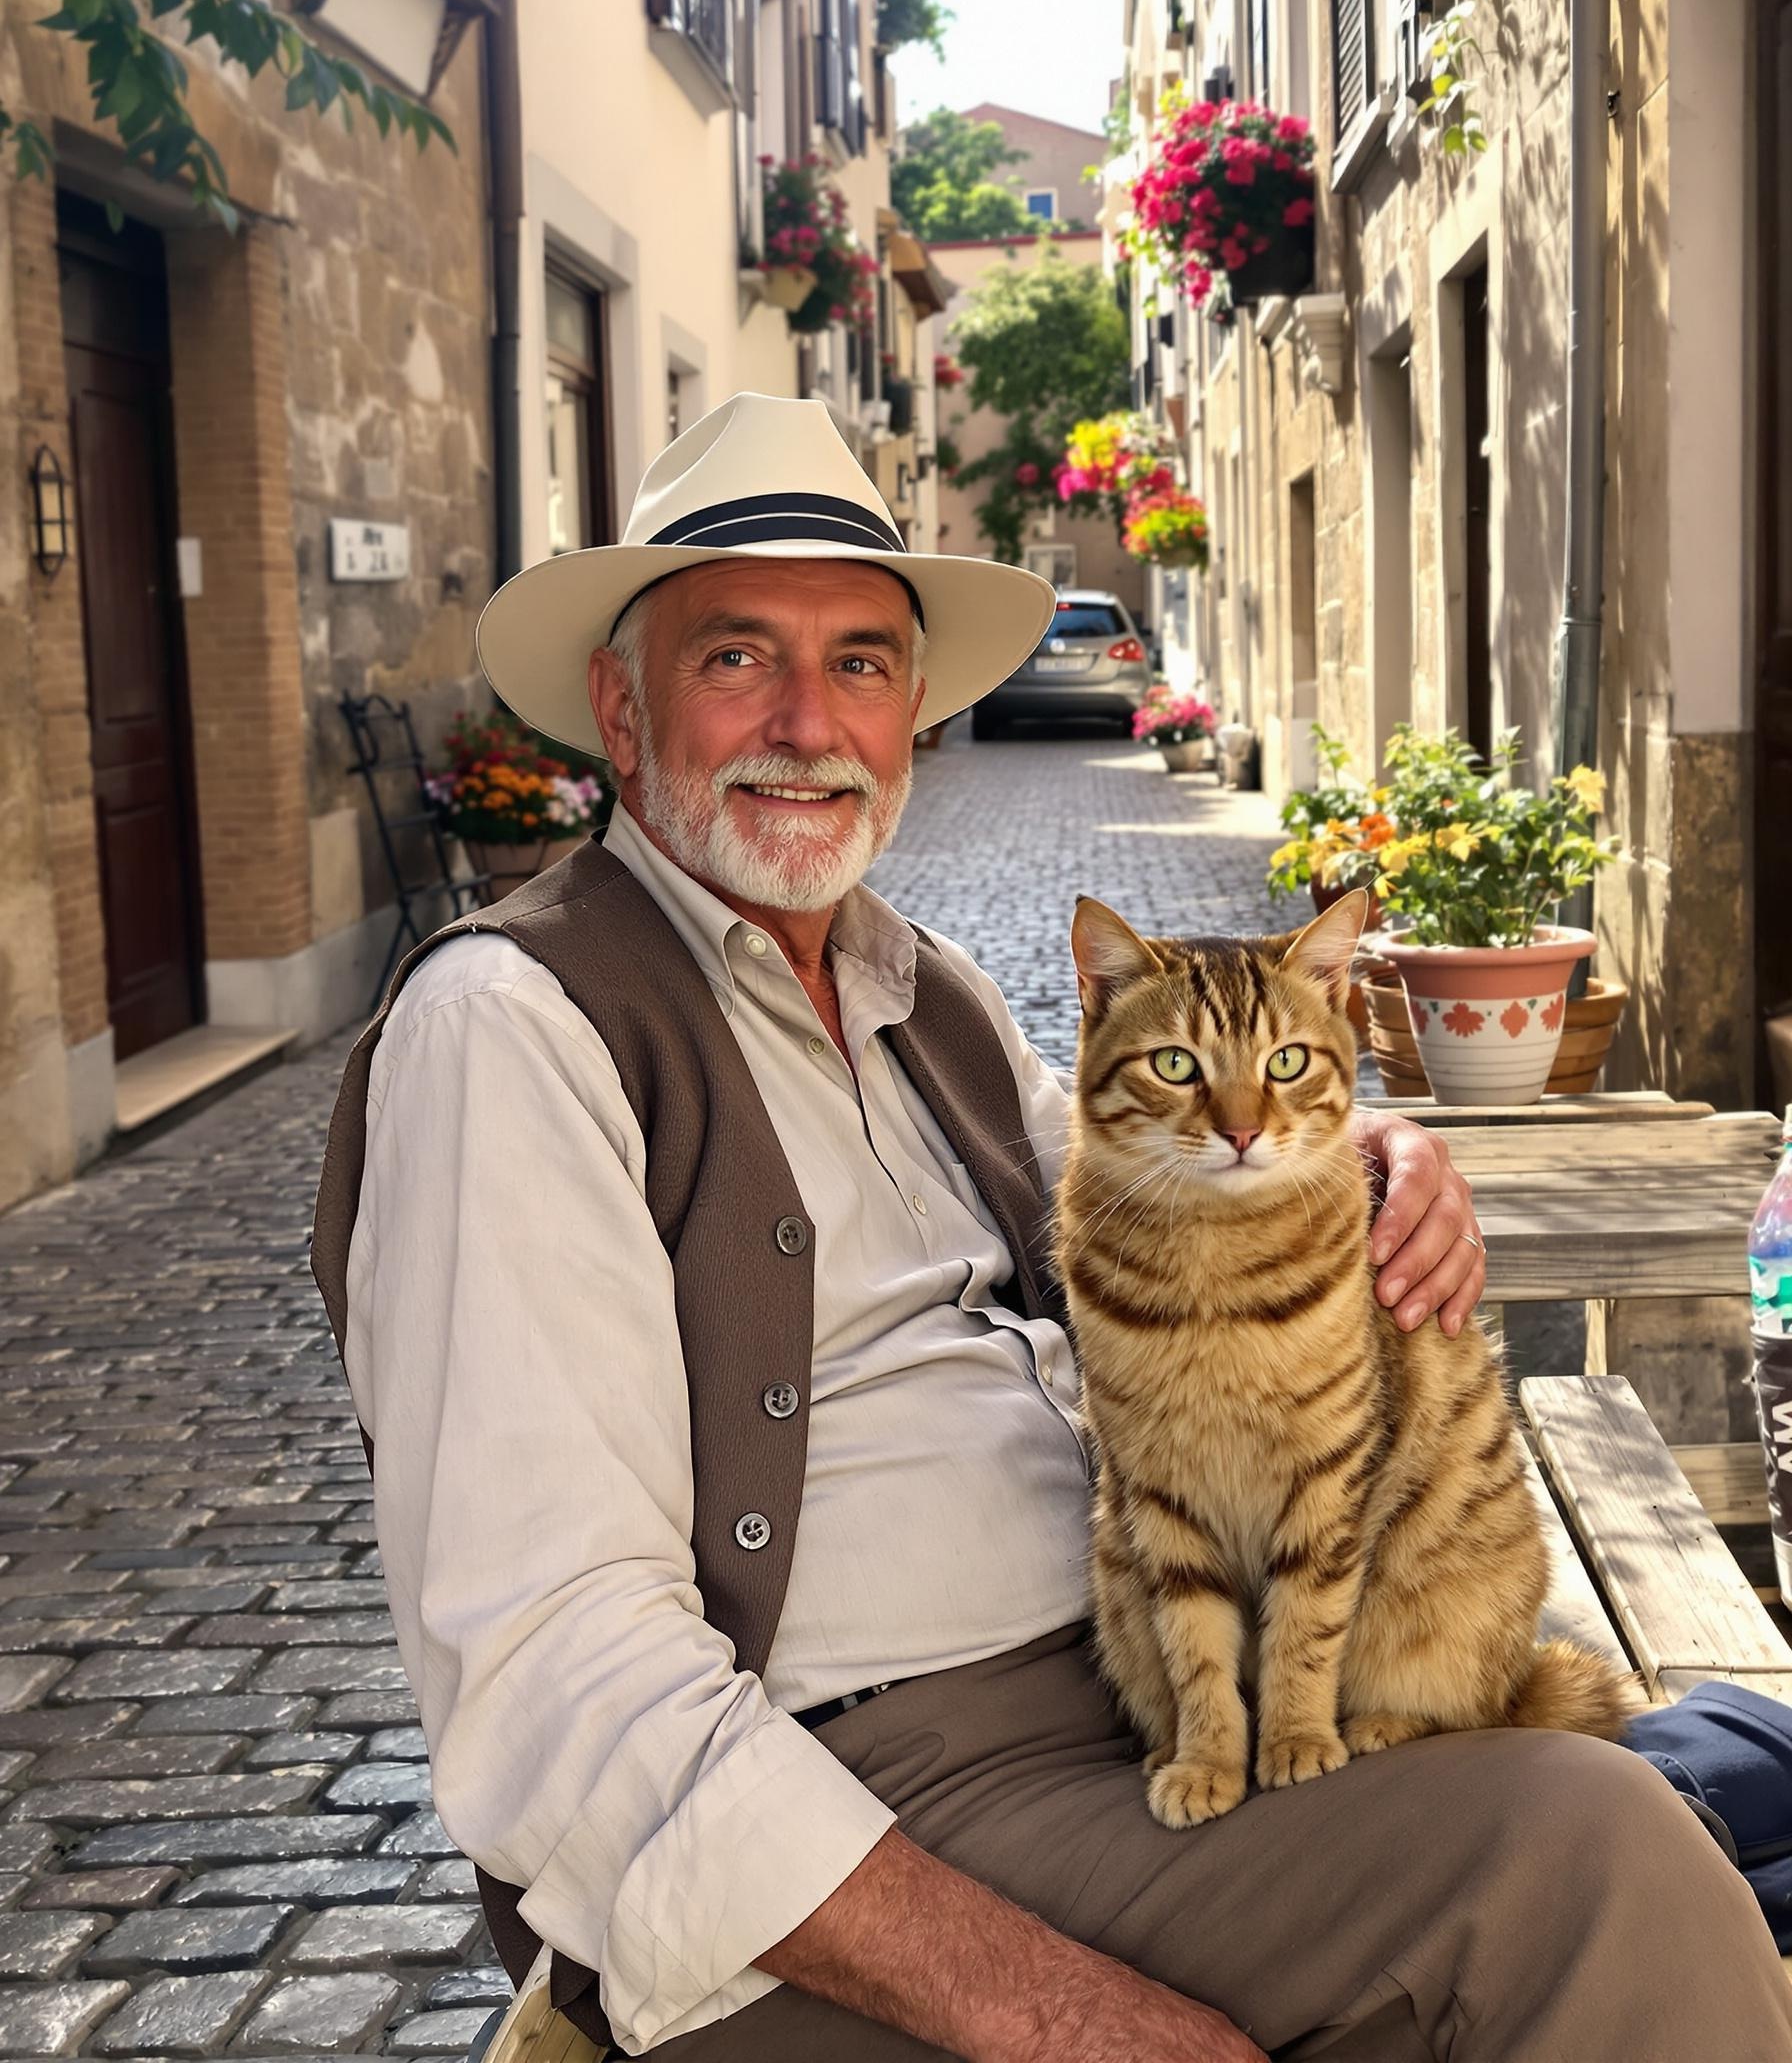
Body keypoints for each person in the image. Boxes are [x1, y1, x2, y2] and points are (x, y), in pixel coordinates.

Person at [317, 395, 1792, 2063]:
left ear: (914, 712)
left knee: (1730, 1770)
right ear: (619, 698)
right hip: (860, 1809)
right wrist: (1056, 2013)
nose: (810, 719)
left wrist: (1356, 1147)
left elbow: (1154, 1161)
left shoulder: (915, 983)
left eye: (864, 663)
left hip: (1150, 1693)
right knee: (1593, 1870)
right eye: (740, 657)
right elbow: (558, 1681)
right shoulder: (512, 1027)